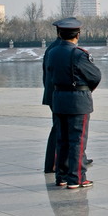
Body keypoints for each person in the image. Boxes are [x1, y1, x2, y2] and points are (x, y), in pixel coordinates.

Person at [47, 17, 101, 189]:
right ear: (77, 34)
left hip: (59, 99)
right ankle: (76, 178)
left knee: (61, 140)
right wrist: (85, 88)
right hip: (77, 101)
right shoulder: (78, 54)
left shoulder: (52, 52)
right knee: (77, 140)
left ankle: (61, 176)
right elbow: (95, 76)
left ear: (59, 34)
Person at [42, 28, 65, 173]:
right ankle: (52, 163)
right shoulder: (60, 50)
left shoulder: (53, 48)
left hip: (54, 94)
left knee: (64, 129)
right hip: (61, 95)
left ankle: (77, 158)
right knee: (59, 129)